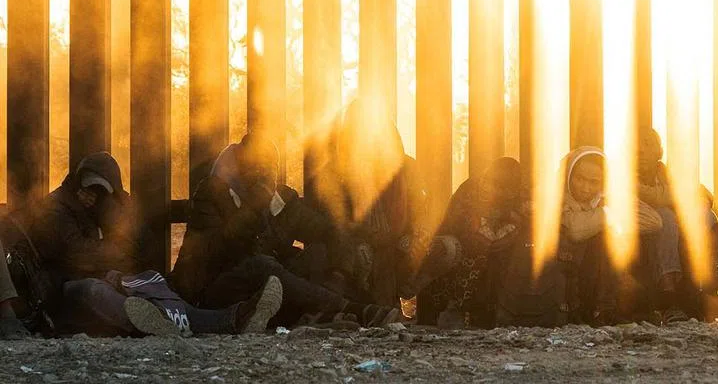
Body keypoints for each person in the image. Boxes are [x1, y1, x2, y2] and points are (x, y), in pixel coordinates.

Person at [1, 152, 281, 337]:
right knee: (94, 290)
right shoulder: (56, 209)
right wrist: (117, 244)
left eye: (100, 191)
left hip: (109, 279)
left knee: (154, 287)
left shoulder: (100, 209)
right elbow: (80, 257)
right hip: (61, 295)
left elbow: (141, 248)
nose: (89, 194)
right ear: (76, 183)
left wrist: (118, 211)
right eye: (87, 187)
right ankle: (159, 326)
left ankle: (235, 318)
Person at [170, 134, 395, 328]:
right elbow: (208, 252)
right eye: (255, 164)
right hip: (221, 289)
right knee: (261, 266)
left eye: (268, 167)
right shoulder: (212, 193)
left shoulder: (282, 199)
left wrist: (338, 276)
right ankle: (353, 310)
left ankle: (318, 313)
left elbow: (330, 232)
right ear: (240, 165)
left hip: (273, 288)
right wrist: (252, 210)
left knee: (316, 254)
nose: (262, 172)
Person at [307, 101, 429, 309]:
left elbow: (421, 211)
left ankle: (399, 302)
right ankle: (358, 307)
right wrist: (366, 236)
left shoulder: (406, 166)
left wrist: (414, 238)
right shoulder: (337, 170)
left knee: (437, 248)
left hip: (399, 242)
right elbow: (332, 220)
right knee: (358, 253)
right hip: (357, 246)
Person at [412, 157, 528, 327]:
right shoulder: (469, 190)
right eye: (488, 181)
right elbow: (453, 222)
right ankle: (452, 310)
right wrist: (478, 234)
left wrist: (507, 230)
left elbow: (524, 222)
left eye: (499, 186)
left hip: (502, 259)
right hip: (459, 249)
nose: (488, 188)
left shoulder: (520, 197)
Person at [559, 147, 663, 325]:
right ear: (569, 175)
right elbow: (575, 231)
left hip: (601, 273)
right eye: (579, 179)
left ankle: (627, 307)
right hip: (566, 275)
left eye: (594, 182)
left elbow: (654, 221)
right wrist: (608, 213)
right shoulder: (558, 197)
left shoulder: (604, 197)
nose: (585, 188)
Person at [635, 127, 708, 323]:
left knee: (702, 217)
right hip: (638, 237)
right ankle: (669, 297)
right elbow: (653, 196)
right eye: (634, 145)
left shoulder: (667, 173)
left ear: (659, 152)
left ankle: (706, 291)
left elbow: (703, 195)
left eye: (647, 144)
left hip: (670, 239)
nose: (640, 150)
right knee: (666, 217)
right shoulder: (623, 178)